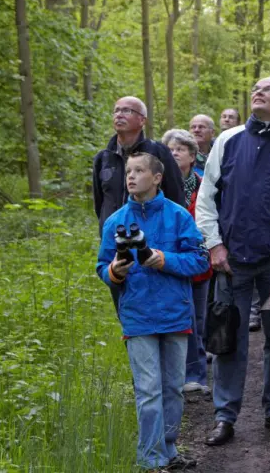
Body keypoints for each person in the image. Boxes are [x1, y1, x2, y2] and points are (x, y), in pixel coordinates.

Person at [196, 77, 270, 446]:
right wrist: (215, 246)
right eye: (255, 89)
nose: (258, 92)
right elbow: (206, 200)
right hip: (231, 258)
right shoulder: (228, 141)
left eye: (268, 90)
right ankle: (225, 415)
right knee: (228, 337)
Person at [96, 151, 209, 470]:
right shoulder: (116, 221)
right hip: (137, 316)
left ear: (157, 178)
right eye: (128, 171)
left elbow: (201, 261)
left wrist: (164, 260)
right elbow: (102, 266)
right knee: (148, 390)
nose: (131, 176)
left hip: (175, 314)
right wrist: (115, 271)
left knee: (173, 388)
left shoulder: (178, 216)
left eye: (139, 171)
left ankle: (169, 450)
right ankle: (150, 459)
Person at [162, 128, 215, 394]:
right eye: (170, 150)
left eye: (180, 150)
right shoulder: (160, 187)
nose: (174, 154)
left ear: (193, 156)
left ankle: (196, 374)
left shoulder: (205, 185)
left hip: (199, 262)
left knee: (198, 320)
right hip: (169, 263)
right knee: (180, 320)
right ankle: (177, 374)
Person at [93, 96, 184, 236]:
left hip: (153, 237)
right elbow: (100, 202)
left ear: (142, 120)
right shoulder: (103, 158)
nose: (119, 115)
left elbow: (175, 195)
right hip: (113, 238)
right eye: (116, 111)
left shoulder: (158, 152)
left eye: (126, 111)